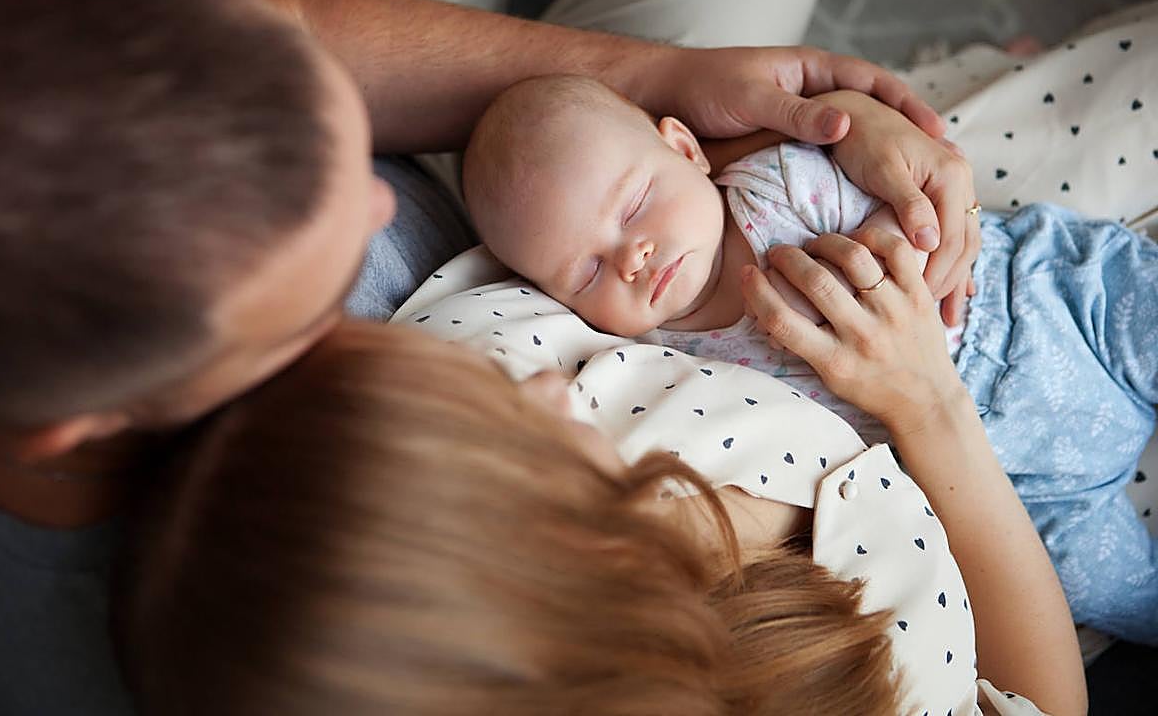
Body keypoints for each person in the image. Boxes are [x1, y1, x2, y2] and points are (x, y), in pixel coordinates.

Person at [0, 0, 978, 716]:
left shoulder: (76, 161)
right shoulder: (293, 607)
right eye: (308, 298)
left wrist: (650, 82)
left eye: (326, 156)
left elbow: (302, 33)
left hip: (560, 166)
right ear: (79, 430)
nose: (376, 199)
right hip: (573, 243)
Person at [462, 73, 1158, 643]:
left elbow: (908, 206)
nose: (632, 255)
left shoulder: (776, 188)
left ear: (686, 149)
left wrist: (896, 238)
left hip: (1044, 304)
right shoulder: (672, 364)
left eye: (636, 203)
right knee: (1112, 590)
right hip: (1018, 483)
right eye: (586, 273)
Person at [116, 317, 1085, 715]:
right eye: (516, 422)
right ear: (553, 568)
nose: (543, 387)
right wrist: (933, 405)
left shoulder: (455, 366)